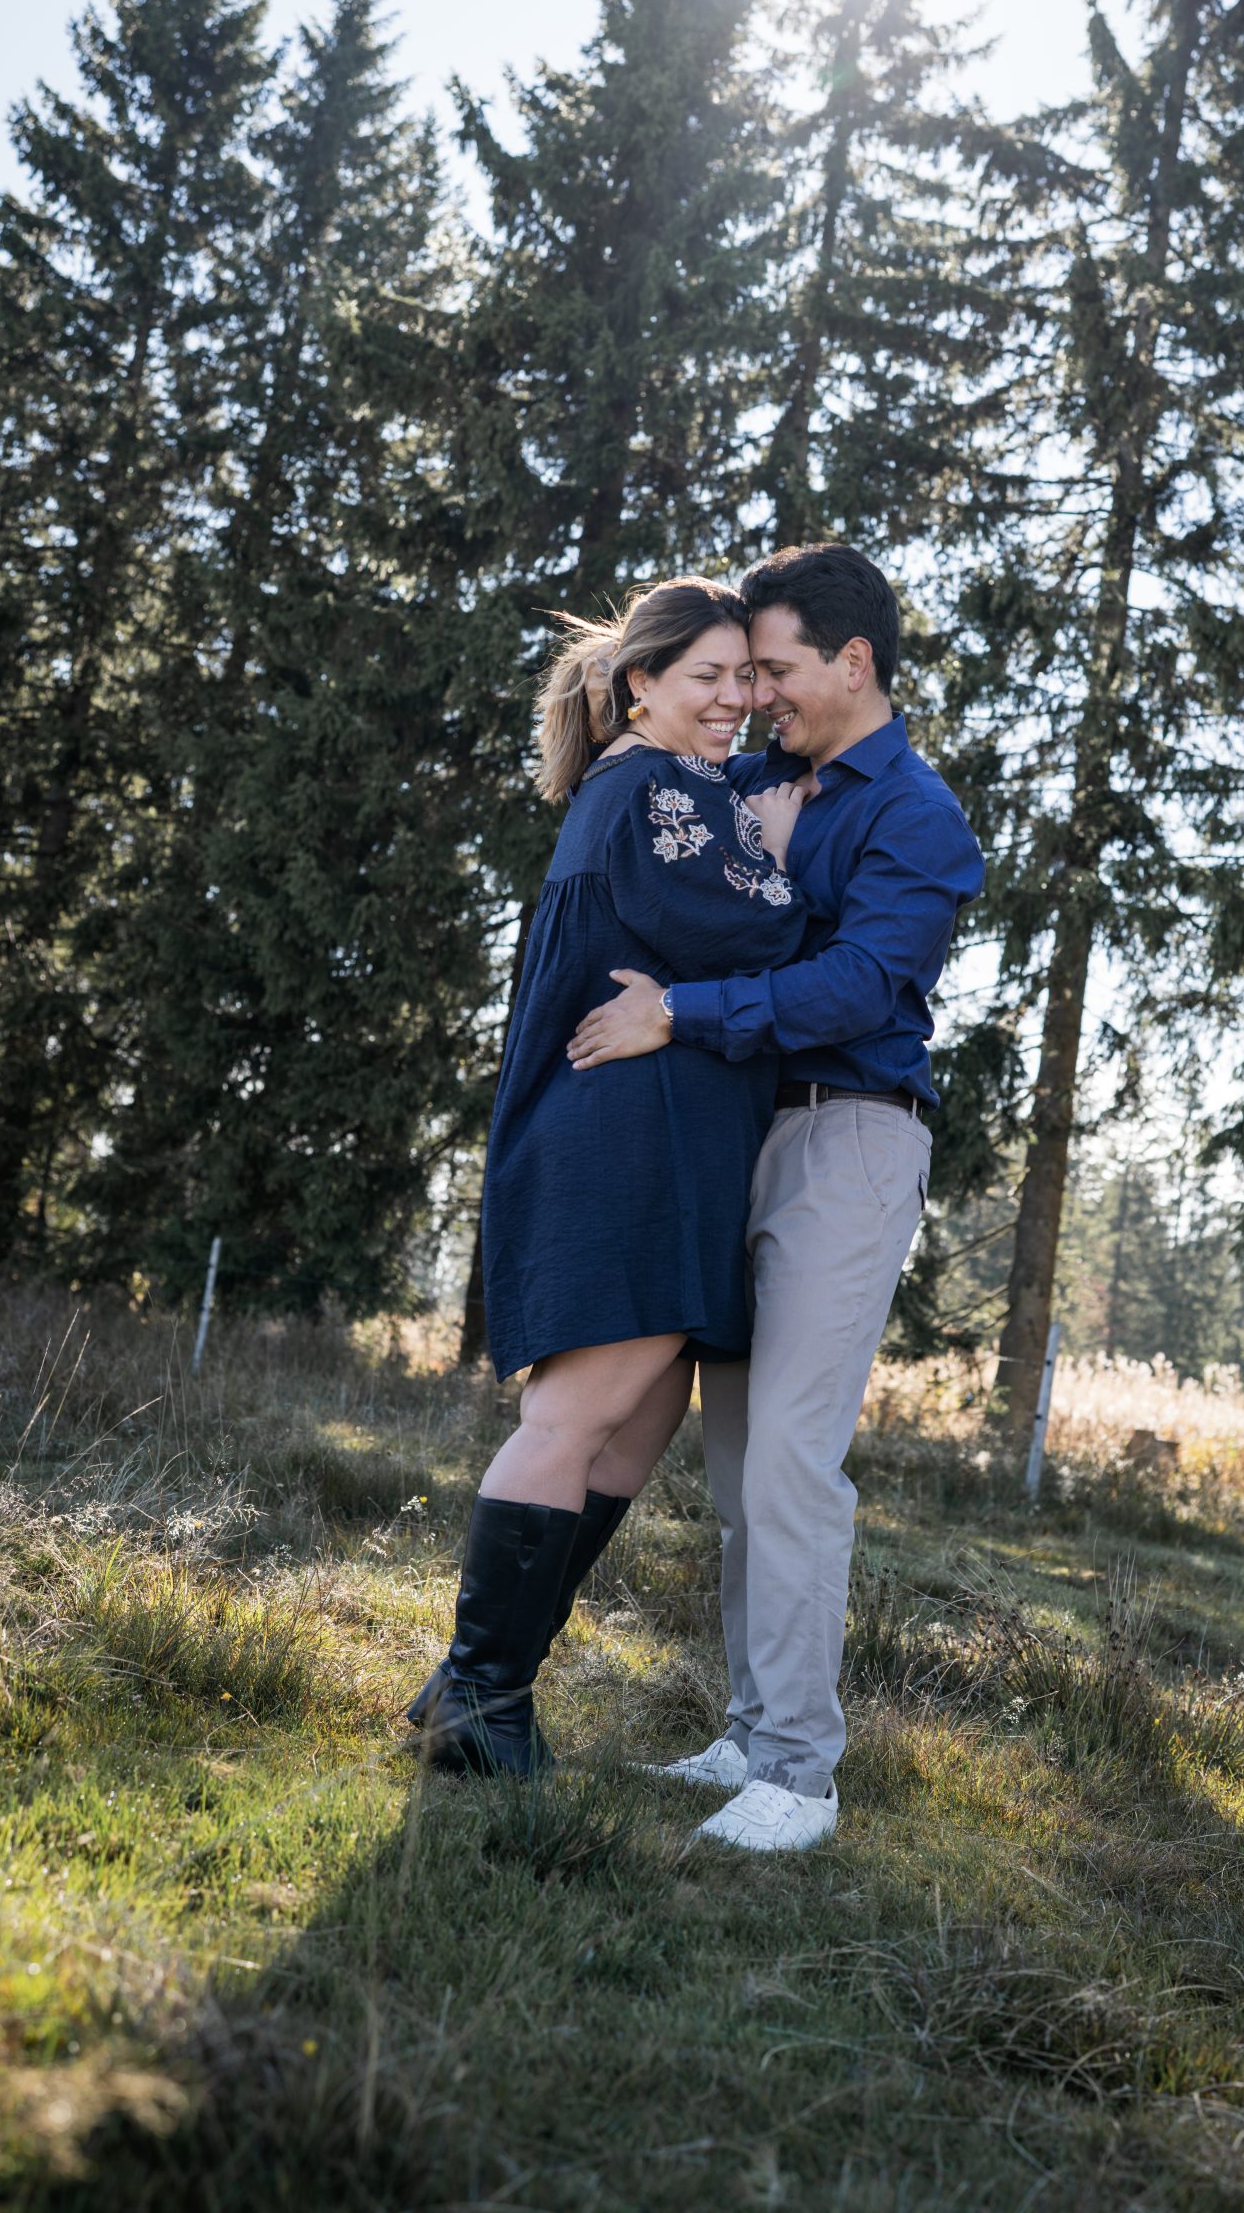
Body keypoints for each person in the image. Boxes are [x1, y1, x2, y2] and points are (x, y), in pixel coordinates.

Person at [568, 543, 985, 1850]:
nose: (755, 695)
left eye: (775, 669)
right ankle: (750, 1734)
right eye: (741, 673)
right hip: (733, 1132)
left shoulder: (916, 815)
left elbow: (858, 987)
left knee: (794, 1461)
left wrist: (681, 1012)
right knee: (743, 1466)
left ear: (853, 664)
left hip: (845, 1137)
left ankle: (801, 1776)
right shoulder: (748, 779)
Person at [409, 577, 818, 1776]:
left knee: (635, 1429)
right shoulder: (649, 789)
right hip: (627, 1140)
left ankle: (476, 1686)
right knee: (576, 1416)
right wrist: (778, 850)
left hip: (677, 1139)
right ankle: (480, 1701)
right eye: (709, 677)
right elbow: (755, 930)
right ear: (640, 682)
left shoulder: (677, 785)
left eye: (747, 677)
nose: (736, 700)